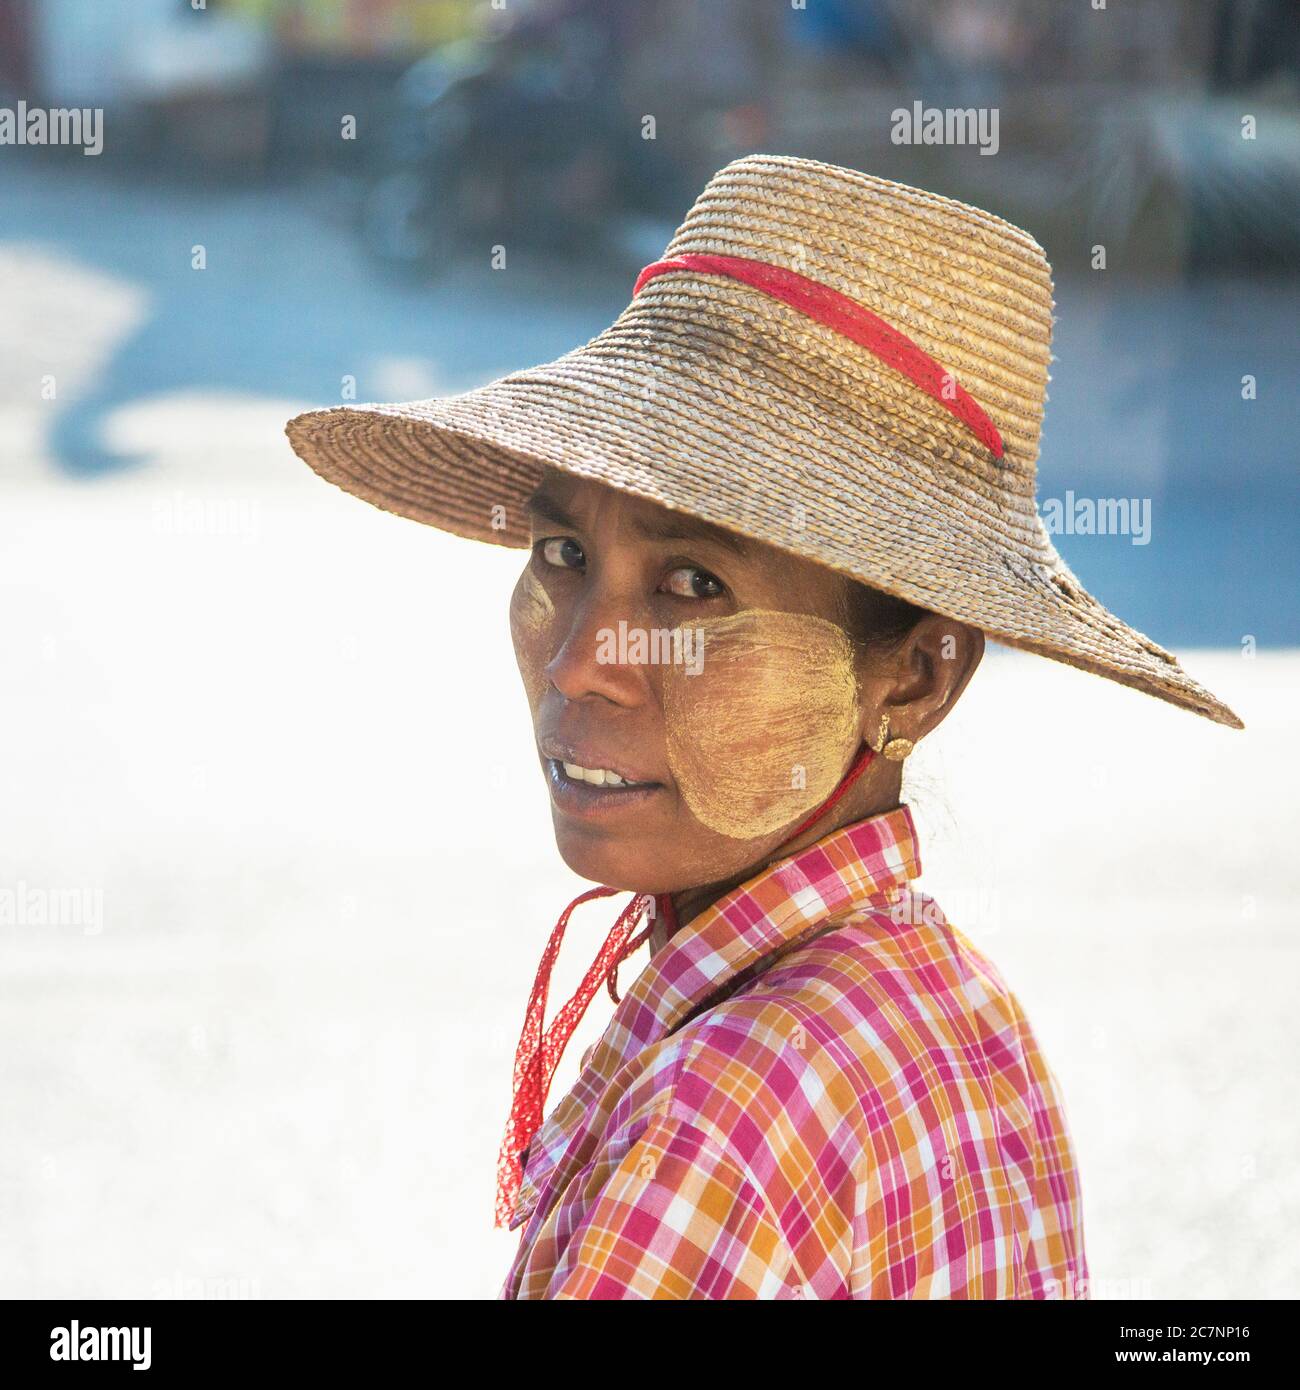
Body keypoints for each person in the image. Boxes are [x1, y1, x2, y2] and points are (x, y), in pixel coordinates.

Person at [285, 153, 1242, 1299]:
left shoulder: (724, 1114)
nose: (584, 660)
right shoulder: (951, 1007)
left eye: (692, 586)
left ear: (916, 680)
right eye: (564, 554)